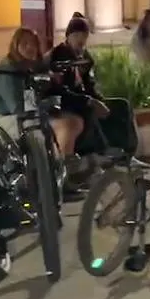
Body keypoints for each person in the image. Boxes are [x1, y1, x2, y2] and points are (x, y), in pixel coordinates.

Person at [47, 17, 111, 193]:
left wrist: (98, 98)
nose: (81, 40)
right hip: (64, 103)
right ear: (68, 36)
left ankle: (124, 152)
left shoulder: (84, 56)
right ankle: (98, 155)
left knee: (121, 106)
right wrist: (90, 100)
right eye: (77, 35)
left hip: (79, 98)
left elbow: (88, 84)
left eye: (84, 36)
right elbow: (60, 91)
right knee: (88, 110)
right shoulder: (59, 55)